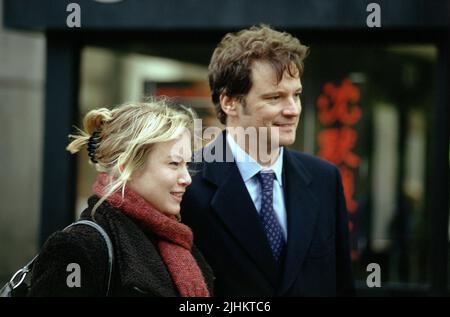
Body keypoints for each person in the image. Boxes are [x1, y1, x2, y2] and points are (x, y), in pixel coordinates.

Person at [181, 25, 355, 296]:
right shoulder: (186, 183)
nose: (292, 110)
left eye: (296, 95)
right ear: (229, 103)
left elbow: (341, 284)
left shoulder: (324, 179)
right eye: (275, 97)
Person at [29, 99, 214, 296]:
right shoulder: (79, 246)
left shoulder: (175, 239)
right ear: (127, 167)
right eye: (174, 164)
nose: (187, 178)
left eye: (187, 164)